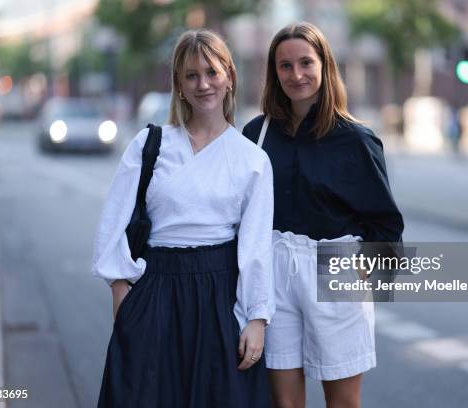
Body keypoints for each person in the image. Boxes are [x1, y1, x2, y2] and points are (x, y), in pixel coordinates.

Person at [92, 28, 274, 408]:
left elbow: (256, 246)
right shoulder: (150, 144)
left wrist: (256, 318)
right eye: (191, 75)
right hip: (154, 290)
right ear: (178, 84)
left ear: (229, 77)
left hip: (220, 295)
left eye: (211, 72)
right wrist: (119, 290)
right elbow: (114, 220)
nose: (203, 84)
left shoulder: (251, 159)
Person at [242, 22, 404, 408]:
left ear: (324, 66)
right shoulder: (255, 134)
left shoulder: (356, 140)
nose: (296, 74)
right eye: (284, 66)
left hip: (335, 268)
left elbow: (386, 222)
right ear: (273, 72)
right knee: (283, 401)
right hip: (276, 270)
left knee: (343, 402)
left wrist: (366, 272)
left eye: (305, 62)